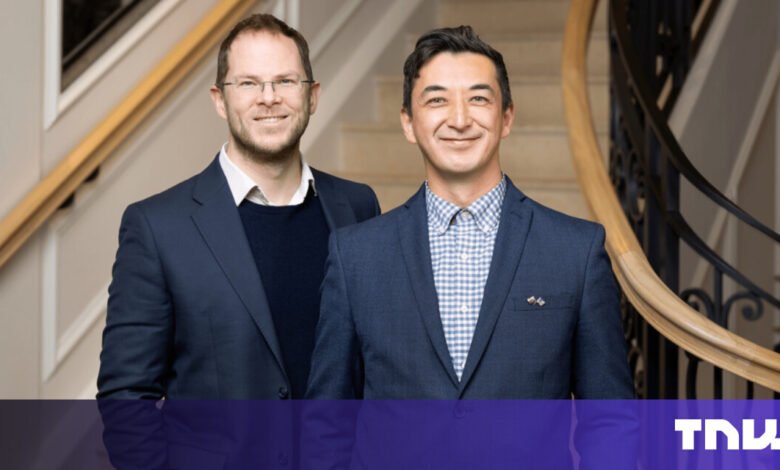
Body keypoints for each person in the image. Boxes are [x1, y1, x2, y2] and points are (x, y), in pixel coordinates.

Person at [96, 13, 379, 468]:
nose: (269, 98)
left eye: (286, 80)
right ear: (220, 101)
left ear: (312, 95)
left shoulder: (357, 207)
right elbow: (126, 395)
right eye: (248, 83)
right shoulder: (157, 226)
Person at [306, 25, 633, 400]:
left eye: (478, 99)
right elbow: (327, 424)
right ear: (408, 123)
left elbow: (609, 421)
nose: (460, 120)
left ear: (507, 117)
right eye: (436, 101)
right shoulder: (355, 257)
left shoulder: (576, 251)